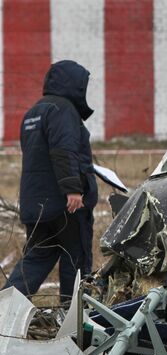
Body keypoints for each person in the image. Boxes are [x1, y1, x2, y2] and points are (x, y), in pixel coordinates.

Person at [2, 60, 97, 304]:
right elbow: (62, 150)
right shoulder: (62, 109)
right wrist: (73, 189)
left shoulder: (33, 112)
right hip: (65, 205)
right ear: (74, 85)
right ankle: (74, 321)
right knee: (75, 260)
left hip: (36, 205)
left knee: (35, 259)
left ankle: (4, 310)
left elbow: (38, 157)